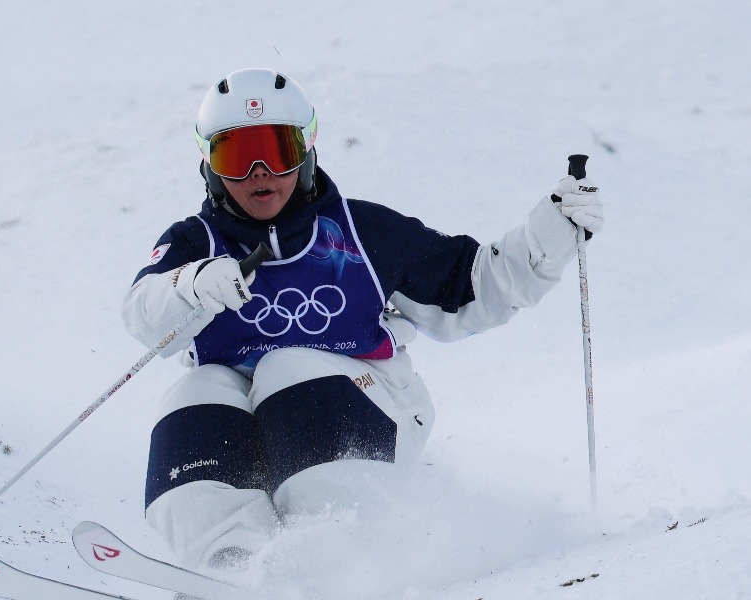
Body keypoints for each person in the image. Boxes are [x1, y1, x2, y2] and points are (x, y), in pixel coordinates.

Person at [121, 68, 603, 573]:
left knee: (287, 368)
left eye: (277, 152)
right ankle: (234, 566)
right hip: (251, 435)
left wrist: (547, 238)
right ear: (209, 166)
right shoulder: (194, 244)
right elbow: (142, 316)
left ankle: (338, 553)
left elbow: (476, 288)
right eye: (237, 157)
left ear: (306, 154)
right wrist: (189, 284)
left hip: (368, 410)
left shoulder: (359, 232)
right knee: (195, 389)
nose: (259, 172)